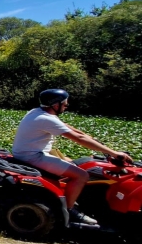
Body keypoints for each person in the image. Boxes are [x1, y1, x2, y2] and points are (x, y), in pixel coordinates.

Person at [12, 89, 133, 225]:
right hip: (33, 156)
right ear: (55, 105)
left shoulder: (38, 112)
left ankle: (71, 196)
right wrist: (115, 153)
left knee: (77, 163)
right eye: (64, 104)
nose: (66, 106)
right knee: (82, 175)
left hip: (29, 152)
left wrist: (88, 136)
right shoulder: (45, 119)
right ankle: (70, 210)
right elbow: (79, 139)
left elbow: (67, 127)